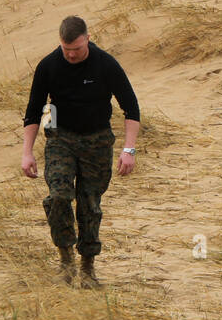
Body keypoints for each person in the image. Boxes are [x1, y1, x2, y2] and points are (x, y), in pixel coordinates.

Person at [21, 15, 140, 287]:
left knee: (89, 205)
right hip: (60, 138)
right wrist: (27, 152)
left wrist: (128, 149)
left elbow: (131, 108)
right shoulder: (49, 66)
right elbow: (33, 112)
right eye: (66, 50)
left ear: (87, 38)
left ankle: (88, 268)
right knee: (60, 196)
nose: (71, 55)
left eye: (76, 49)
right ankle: (65, 261)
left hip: (97, 141)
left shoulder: (105, 64)